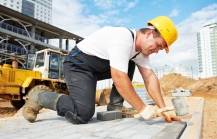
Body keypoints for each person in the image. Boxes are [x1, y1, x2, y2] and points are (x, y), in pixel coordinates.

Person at [23, 16, 181, 124]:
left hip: (96, 68)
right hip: (77, 65)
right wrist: (143, 108)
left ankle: (116, 105)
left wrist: (163, 109)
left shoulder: (140, 52)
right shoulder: (123, 38)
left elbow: (150, 78)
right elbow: (119, 77)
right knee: (82, 114)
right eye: (159, 45)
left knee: (130, 62)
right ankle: (40, 97)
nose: (157, 50)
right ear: (148, 34)